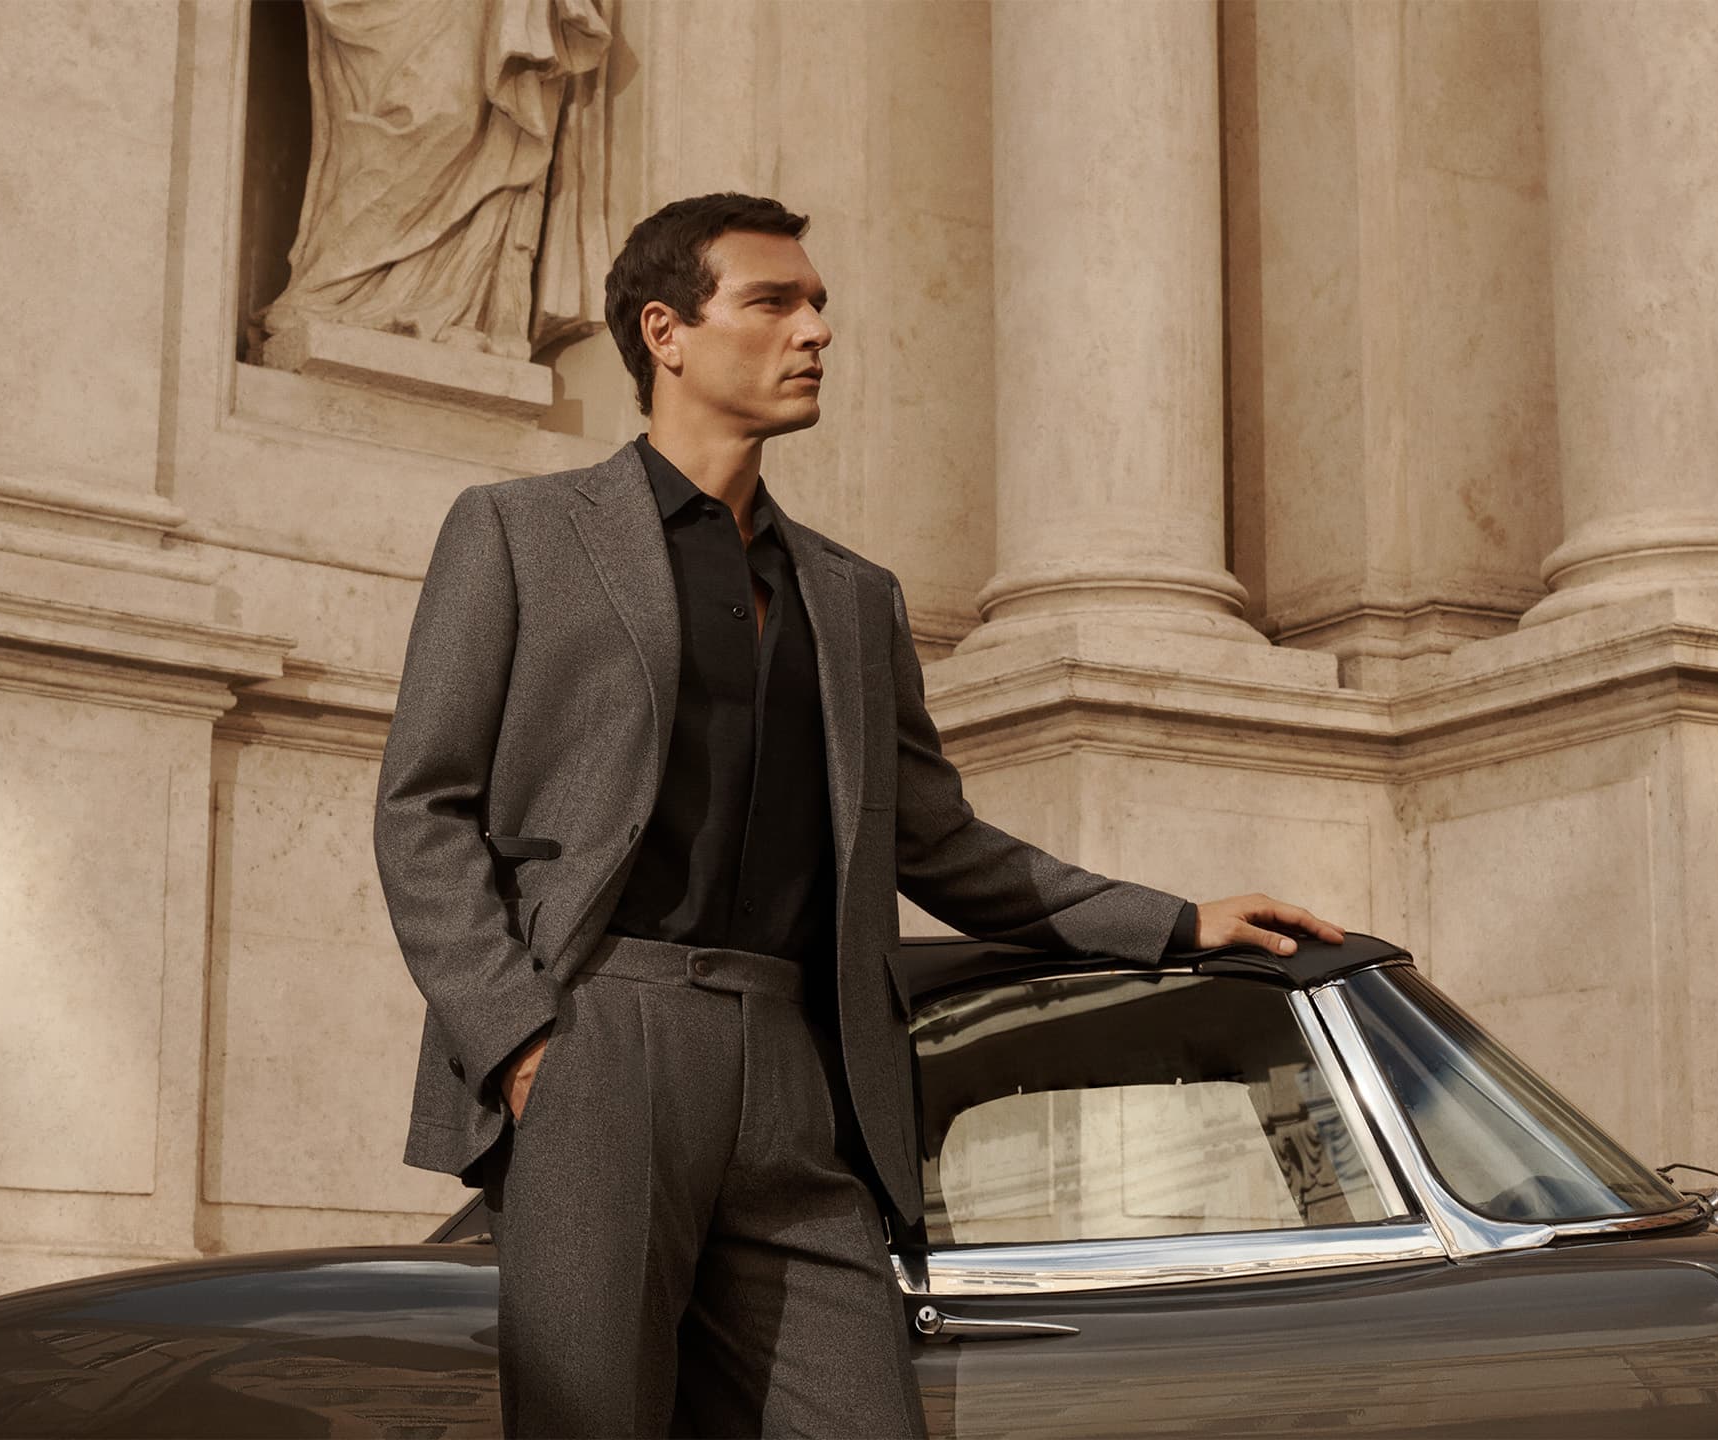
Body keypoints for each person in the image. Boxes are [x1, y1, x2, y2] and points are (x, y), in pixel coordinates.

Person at [372, 191, 1350, 1439]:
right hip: (601, 1038)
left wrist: (1170, 921)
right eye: (774, 302)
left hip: (798, 1067)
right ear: (665, 333)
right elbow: (423, 808)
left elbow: (934, 840)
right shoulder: (517, 535)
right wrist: (519, 1039)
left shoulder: (850, 594)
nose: (814, 329)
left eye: (819, 304)